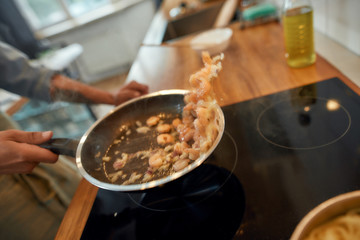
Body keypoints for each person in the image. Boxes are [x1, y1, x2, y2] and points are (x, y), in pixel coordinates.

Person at [0, 40, 148, 239]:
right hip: (8, 210)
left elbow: (34, 78)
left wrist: (111, 97)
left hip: (34, 161)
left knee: (90, 209)